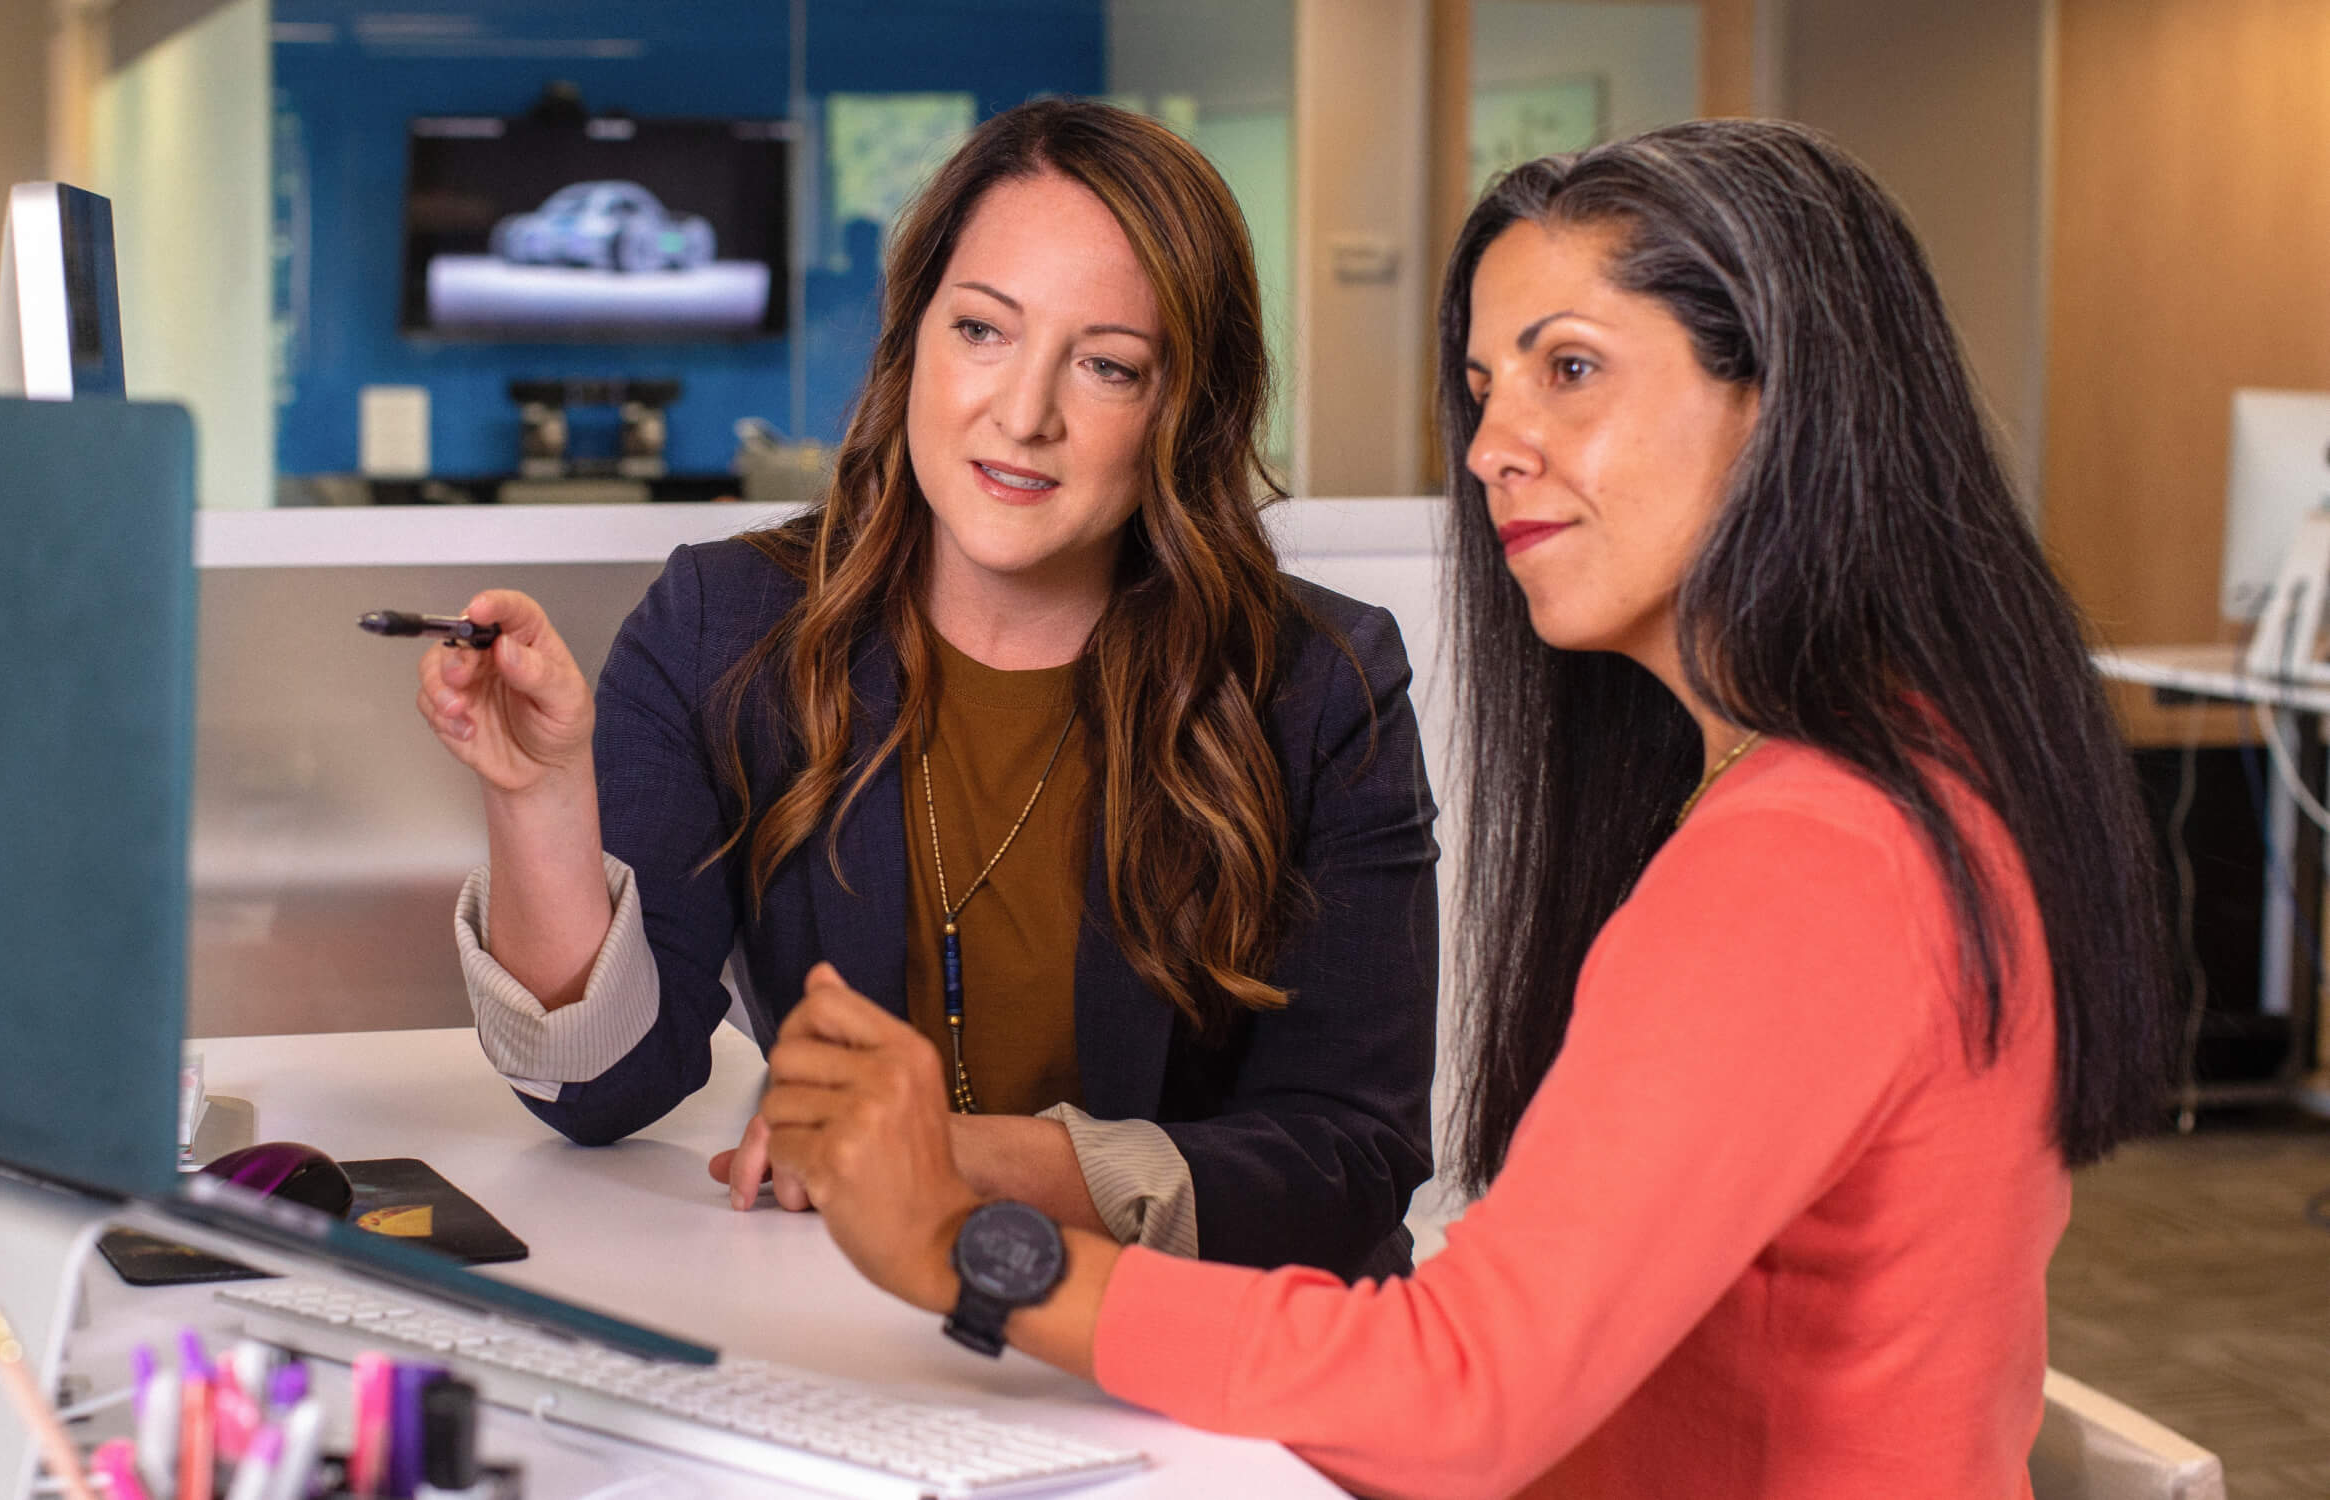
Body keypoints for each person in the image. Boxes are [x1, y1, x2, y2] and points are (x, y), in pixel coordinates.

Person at [752, 119, 2174, 1497]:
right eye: (1487, 385)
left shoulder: (1810, 857)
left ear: (1787, 402)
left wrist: (967, 1248)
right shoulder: (1913, 778)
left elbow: (1464, 1398)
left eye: (1571, 370)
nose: (1494, 442)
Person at [414, 98, 1439, 1282]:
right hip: (861, 1326)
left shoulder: (1320, 684)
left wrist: (956, 1158)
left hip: (1195, 1355)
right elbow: (602, 1089)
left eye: (1107, 365)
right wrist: (542, 795)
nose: (1023, 414)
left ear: (1182, 410)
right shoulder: (726, 627)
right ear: (914, 342)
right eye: (984, 331)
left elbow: (1348, 1160)